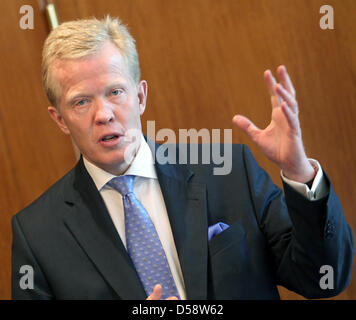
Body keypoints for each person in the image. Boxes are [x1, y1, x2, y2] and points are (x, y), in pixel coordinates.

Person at [11, 16, 353, 300]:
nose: (103, 114)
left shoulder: (230, 173)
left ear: (140, 96)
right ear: (59, 119)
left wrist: (298, 171)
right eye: (81, 102)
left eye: (115, 92)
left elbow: (323, 277)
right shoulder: (38, 236)